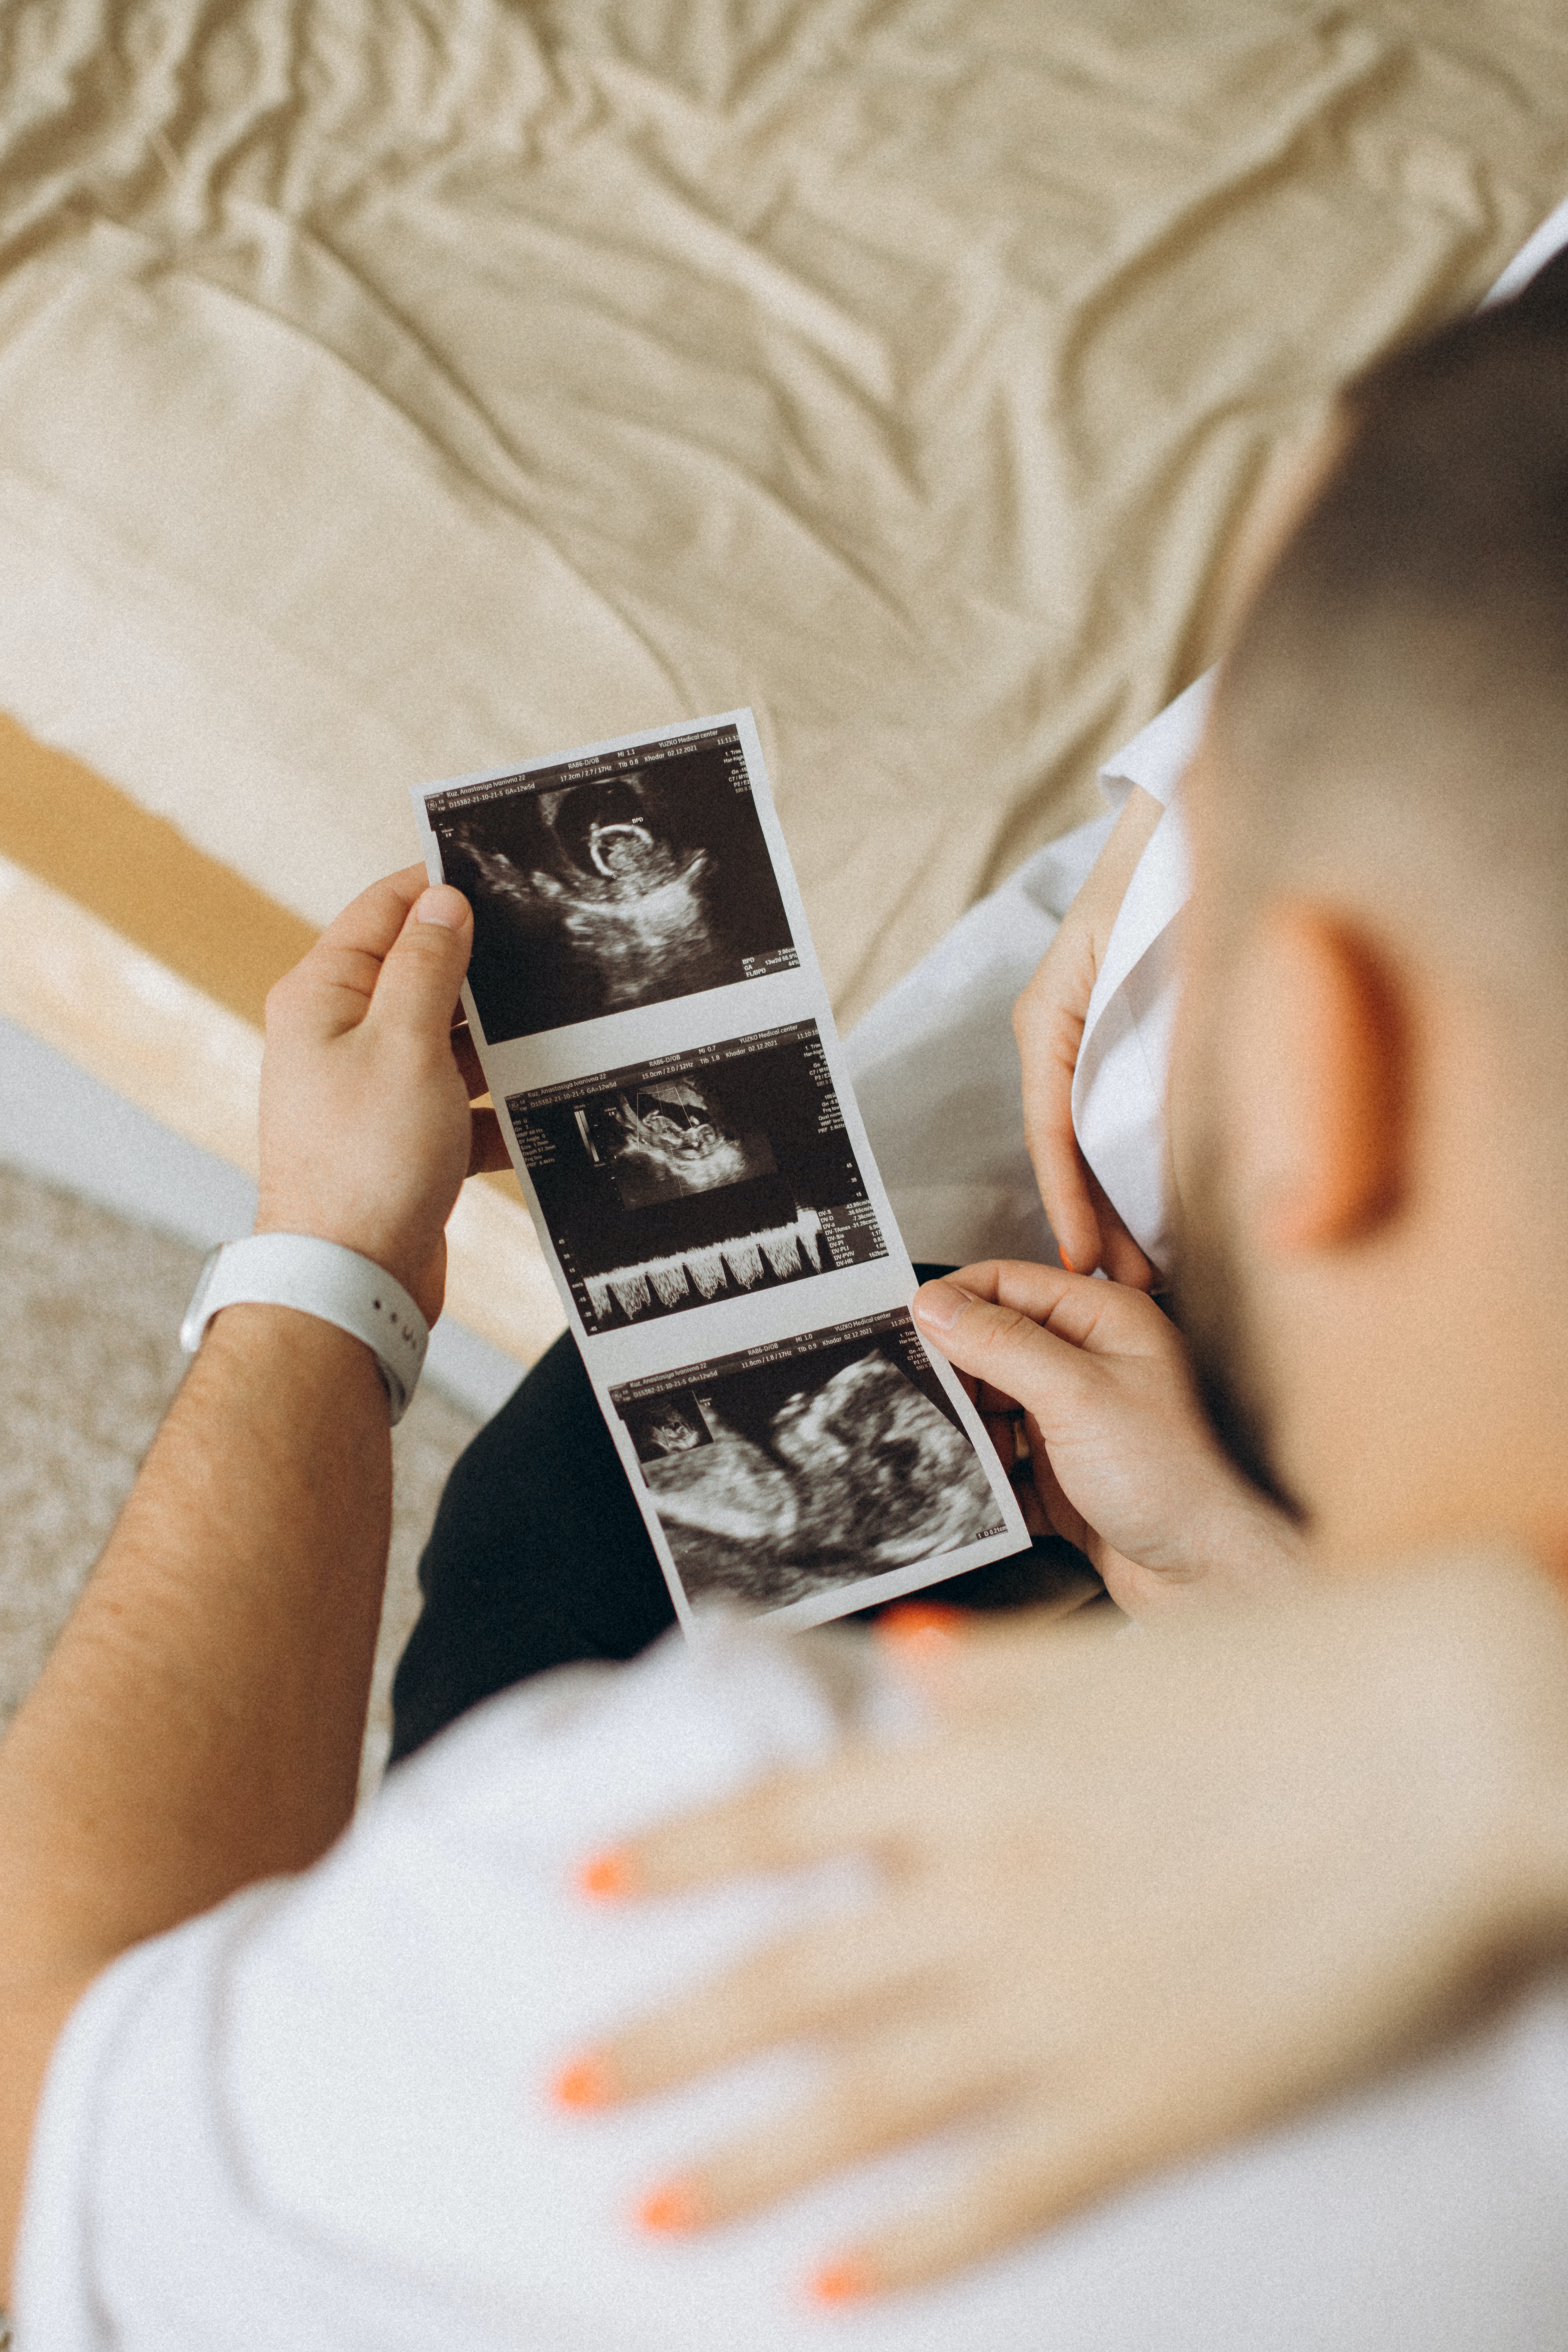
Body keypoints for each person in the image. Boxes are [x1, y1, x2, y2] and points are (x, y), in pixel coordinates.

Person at [5, 280, 1568, 2352]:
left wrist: (328, 1255)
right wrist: (1309, 1619)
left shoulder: (743, 1884)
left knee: (552, 1509)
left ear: (1306, 1054)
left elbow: (44, 2119)